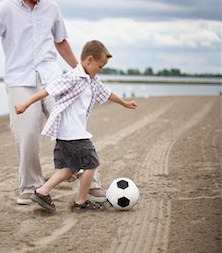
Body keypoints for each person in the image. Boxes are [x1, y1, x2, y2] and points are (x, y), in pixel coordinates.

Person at [0, 0, 105, 204]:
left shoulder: (51, 8)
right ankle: (31, 187)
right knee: (28, 134)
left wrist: (80, 70)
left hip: (52, 77)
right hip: (20, 80)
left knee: (73, 128)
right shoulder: (4, 9)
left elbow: (61, 42)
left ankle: (91, 184)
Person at [14, 40, 138, 213]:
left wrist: (124, 103)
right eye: (100, 66)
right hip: (73, 133)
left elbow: (107, 93)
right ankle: (81, 202)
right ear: (89, 60)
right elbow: (48, 90)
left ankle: (42, 192)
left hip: (67, 134)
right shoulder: (72, 77)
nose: (101, 70)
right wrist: (25, 104)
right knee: (91, 163)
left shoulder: (92, 80)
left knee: (69, 168)